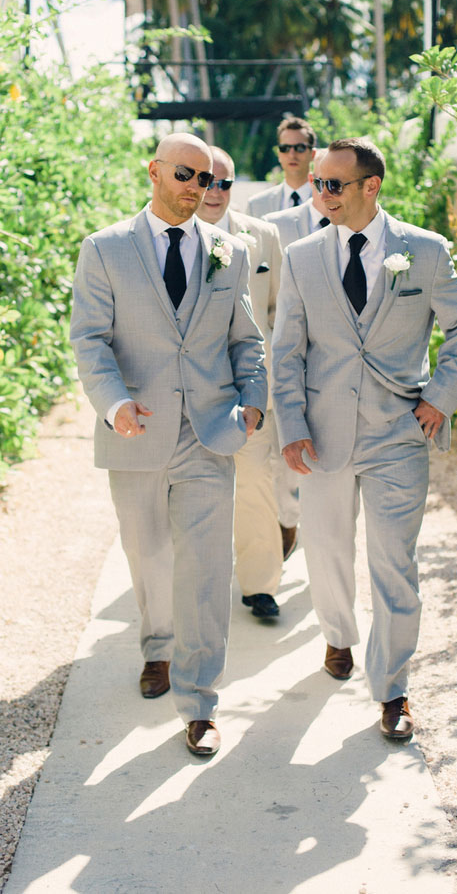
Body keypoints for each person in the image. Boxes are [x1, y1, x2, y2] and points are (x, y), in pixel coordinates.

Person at [271, 138, 457, 740]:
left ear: (371, 186)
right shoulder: (304, 256)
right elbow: (286, 352)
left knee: (395, 563)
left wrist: (441, 396)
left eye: (334, 185)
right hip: (322, 434)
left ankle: (392, 688)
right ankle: (338, 636)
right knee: (328, 553)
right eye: (317, 184)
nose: (322, 194)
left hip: (398, 433)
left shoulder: (424, 250)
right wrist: (290, 426)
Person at [70, 133, 267, 757]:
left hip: (209, 433)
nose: (199, 189)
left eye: (208, 180)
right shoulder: (104, 250)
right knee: (148, 553)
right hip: (136, 428)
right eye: (187, 174)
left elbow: (246, 338)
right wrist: (114, 402)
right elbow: (89, 340)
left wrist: (255, 399)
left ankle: (201, 699)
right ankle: (157, 646)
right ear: (154, 170)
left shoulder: (229, 251)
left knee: (207, 567)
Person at [196, 146, 283, 620]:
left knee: (255, 483)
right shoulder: (175, 237)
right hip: (193, 389)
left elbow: (280, 314)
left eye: (225, 182)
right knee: (198, 494)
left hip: (251, 385)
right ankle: (199, 587)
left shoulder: (263, 236)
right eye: (206, 180)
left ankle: (260, 586)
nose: (215, 191)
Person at [262, 147, 329, 557]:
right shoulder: (275, 226)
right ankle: (287, 521)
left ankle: (321, 534)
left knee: (324, 459)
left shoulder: (364, 224)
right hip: (283, 356)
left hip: (333, 367)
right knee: (279, 454)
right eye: (320, 179)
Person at [246, 116, 316, 219]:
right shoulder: (256, 206)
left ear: (312, 154)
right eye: (285, 148)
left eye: (300, 148)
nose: (292, 155)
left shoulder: (329, 202)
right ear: (279, 154)